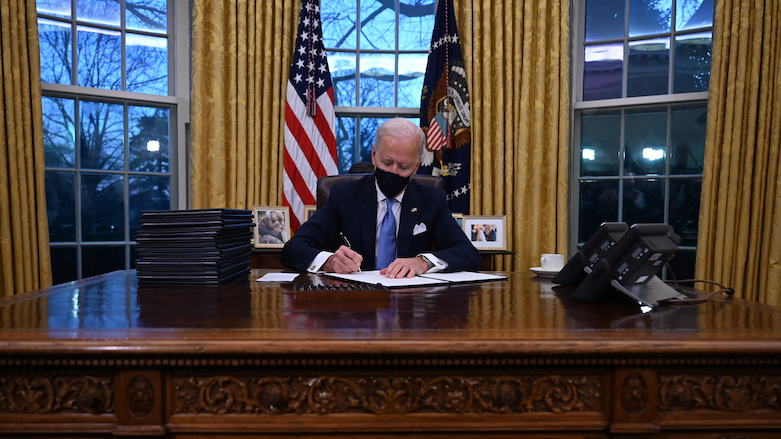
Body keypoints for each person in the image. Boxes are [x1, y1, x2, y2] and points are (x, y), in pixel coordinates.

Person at [280, 118, 480, 278]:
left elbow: (468, 253)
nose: (393, 172)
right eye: (386, 162)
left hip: (412, 305)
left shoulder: (432, 199)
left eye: (403, 167)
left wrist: (423, 262)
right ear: (374, 155)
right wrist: (329, 261)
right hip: (355, 304)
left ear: (417, 165)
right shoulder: (344, 196)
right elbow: (293, 249)